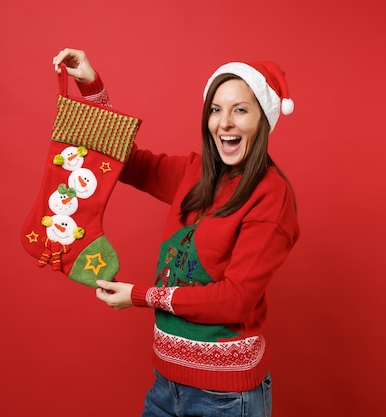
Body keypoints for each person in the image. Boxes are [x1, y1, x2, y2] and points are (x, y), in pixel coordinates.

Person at [52, 48, 300, 417]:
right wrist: (91, 88)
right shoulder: (195, 173)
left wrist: (140, 295)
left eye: (240, 110)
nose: (225, 122)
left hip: (226, 400)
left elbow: (234, 300)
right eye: (216, 110)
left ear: (263, 119)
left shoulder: (271, 195)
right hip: (166, 387)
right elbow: (127, 161)